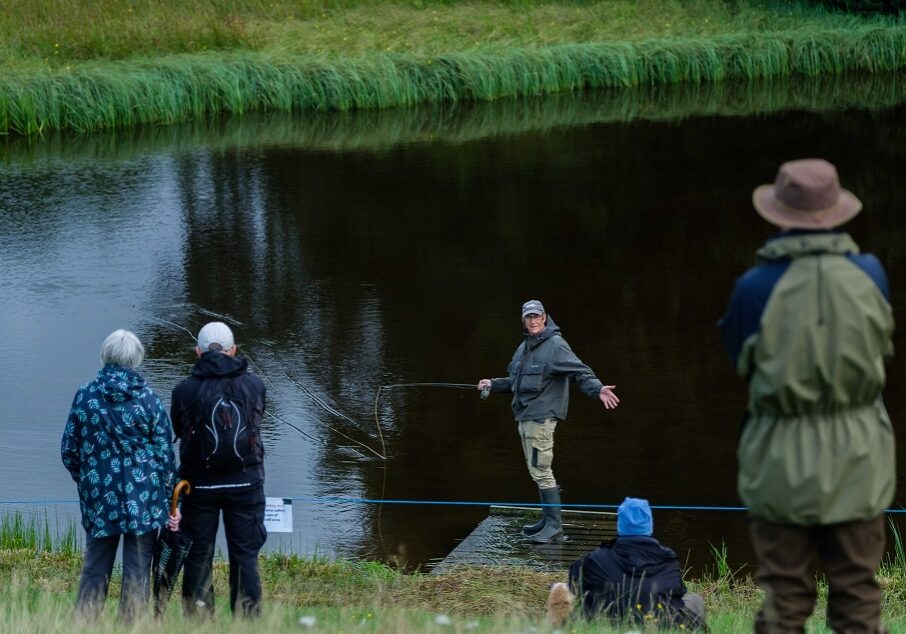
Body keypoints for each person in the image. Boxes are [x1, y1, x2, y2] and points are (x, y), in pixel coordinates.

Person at [719, 159, 895, 633]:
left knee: (785, 597)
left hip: (780, 457)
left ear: (779, 215)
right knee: (858, 594)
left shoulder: (754, 288)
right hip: (859, 454)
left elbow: (740, 360)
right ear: (838, 212)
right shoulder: (871, 273)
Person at [477, 299, 619, 543]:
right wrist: (493, 383)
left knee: (542, 470)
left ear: (545, 318)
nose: (532, 321)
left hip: (541, 418)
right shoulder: (524, 347)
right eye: (528, 317)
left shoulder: (555, 345)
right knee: (536, 470)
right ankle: (546, 520)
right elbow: (515, 382)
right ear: (523, 320)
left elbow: (579, 371)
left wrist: (598, 390)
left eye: (536, 316)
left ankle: (554, 527)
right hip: (525, 416)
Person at [61, 329, 177, 621]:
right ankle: (132, 626)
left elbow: (69, 450)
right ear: (136, 359)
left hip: (101, 497)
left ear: (105, 355)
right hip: (144, 498)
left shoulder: (86, 396)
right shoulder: (149, 399)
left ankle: (84, 625)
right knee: (138, 567)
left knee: (95, 566)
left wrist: (88, 480)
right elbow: (165, 456)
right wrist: (170, 498)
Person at [170, 322, 267, 618]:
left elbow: (178, 429)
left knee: (199, 555)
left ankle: (200, 619)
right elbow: (257, 422)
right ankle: (247, 619)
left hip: (199, 485)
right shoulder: (254, 385)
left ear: (198, 352)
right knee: (245, 555)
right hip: (246, 483)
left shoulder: (184, 390)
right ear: (233, 350)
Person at [566, 497, 707, 630]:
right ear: (649, 524)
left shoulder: (596, 559)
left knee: (564, 594)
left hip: (606, 622)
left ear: (620, 525)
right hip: (658, 624)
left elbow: (573, 582)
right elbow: (678, 593)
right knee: (694, 599)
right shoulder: (668, 559)